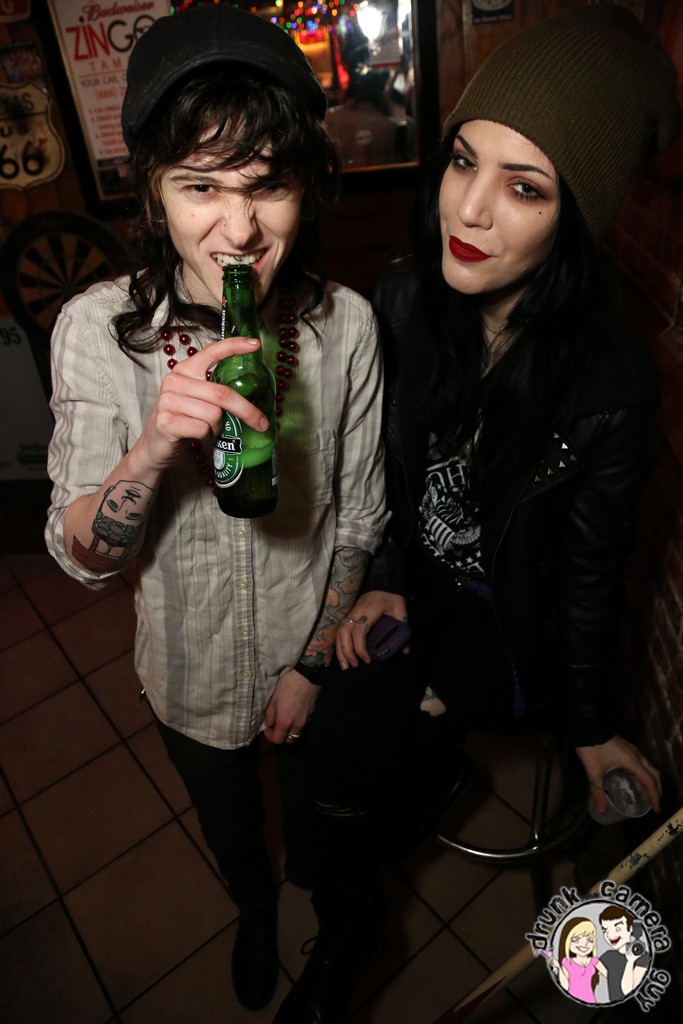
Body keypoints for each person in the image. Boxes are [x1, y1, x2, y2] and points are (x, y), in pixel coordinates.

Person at [274, 7, 679, 1023]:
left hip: (507, 641)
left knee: (618, 903)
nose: (469, 207)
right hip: (414, 599)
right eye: (463, 161)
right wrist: (385, 582)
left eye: (524, 186)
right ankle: (349, 928)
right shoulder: (405, 300)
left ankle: (426, 783)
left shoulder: (608, 384)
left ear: (574, 215)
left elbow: (585, 580)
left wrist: (591, 730)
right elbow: (382, 473)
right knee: (319, 752)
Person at [44, 5, 387, 1014]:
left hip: (307, 660)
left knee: (326, 831)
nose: (238, 231)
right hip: (187, 676)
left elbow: (360, 517)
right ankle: (252, 909)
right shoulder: (96, 331)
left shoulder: (345, 325)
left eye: (266, 184)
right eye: (201, 185)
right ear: (153, 193)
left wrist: (308, 665)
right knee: (235, 834)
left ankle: (323, 913)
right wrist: (154, 444)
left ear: (303, 188)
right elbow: (80, 555)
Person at [599, 906, 651, 1001]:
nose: (610, 935)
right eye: (605, 930)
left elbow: (628, 991)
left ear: (630, 929)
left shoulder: (643, 957)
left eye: (617, 929)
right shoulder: (608, 956)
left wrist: (630, 961)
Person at [553, 917, 607, 1004]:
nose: (584, 944)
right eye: (576, 940)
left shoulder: (594, 961)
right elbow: (565, 987)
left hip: (590, 1000)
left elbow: (610, 976)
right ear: (567, 941)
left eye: (590, 940)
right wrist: (558, 967)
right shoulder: (566, 962)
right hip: (571, 1002)